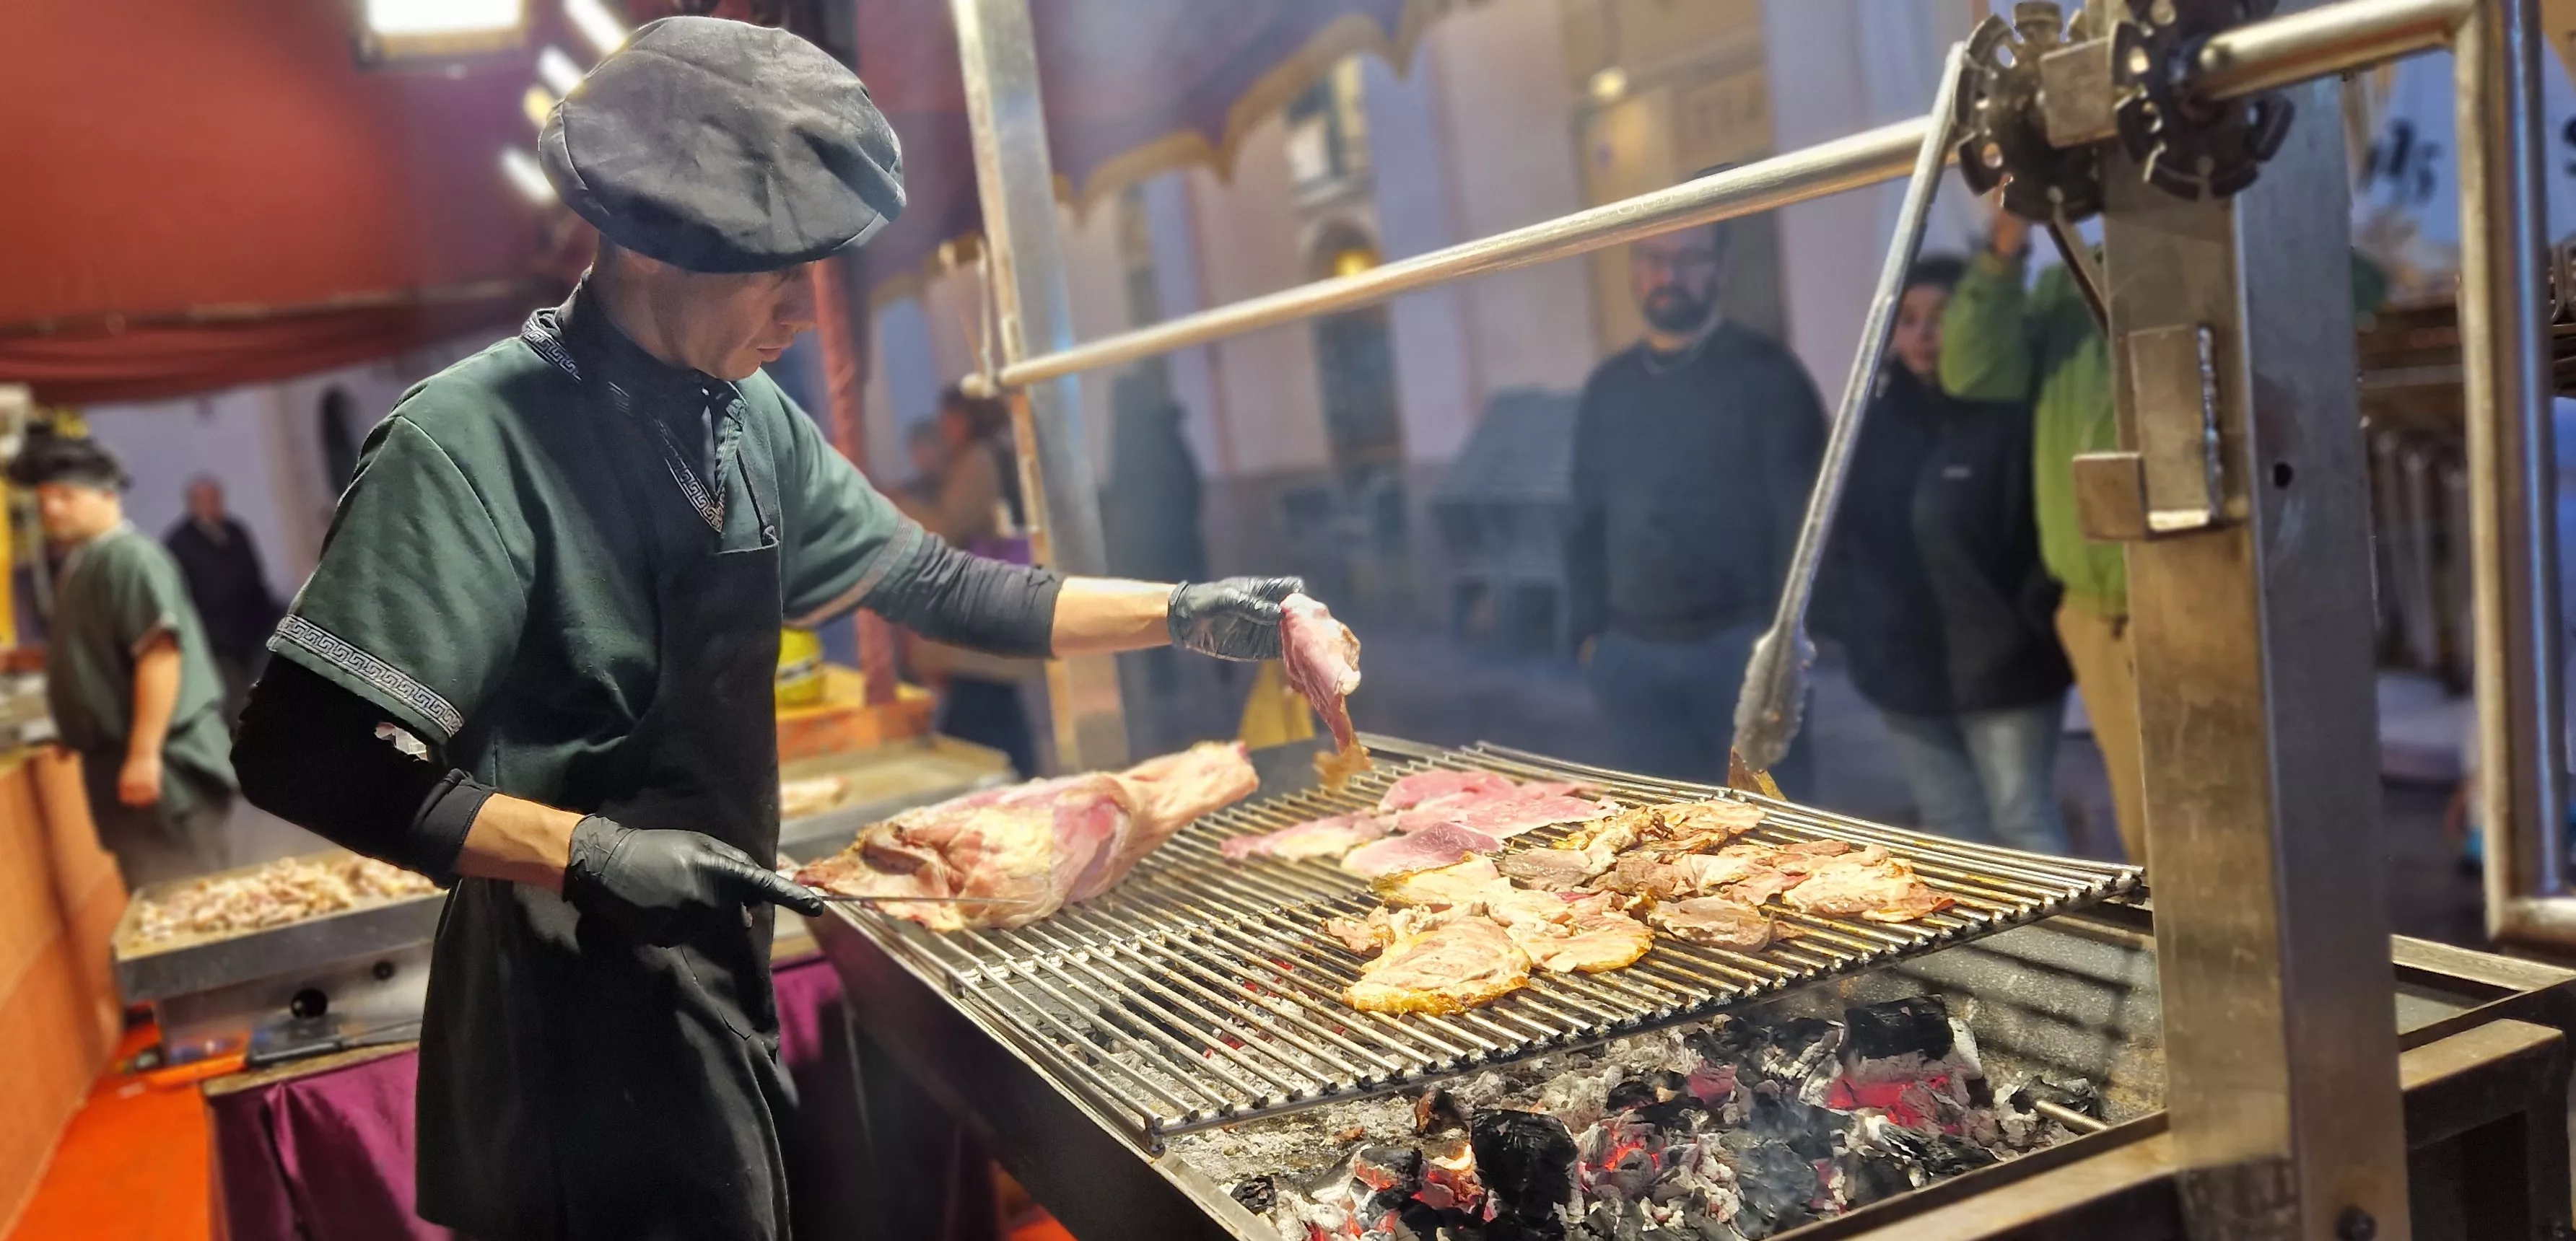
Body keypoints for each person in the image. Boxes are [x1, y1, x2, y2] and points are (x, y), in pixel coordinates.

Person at [224, 19, 1311, 1240]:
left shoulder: (745, 422)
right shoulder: (468, 442)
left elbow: (943, 587)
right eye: (770, 269)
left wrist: (1196, 614)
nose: (802, 310)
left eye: (819, 269)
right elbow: (302, 751)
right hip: (562, 1017)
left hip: (710, 954)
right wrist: (595, 853)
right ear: (643, 241)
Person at [1943, 206, 2391, 866]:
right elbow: (1971, 368)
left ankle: (2266, 958)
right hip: (2097, 612)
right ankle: (2186, 957)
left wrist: (2264, 223)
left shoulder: (2229, 255)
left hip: (2213, 592)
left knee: (2240, 817)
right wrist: (2003, 243)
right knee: (2151, 825)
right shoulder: (2065, 288)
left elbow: (2355, 290)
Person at [1566, 185, 1827, 794]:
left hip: (1740, 650)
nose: (1668, 274)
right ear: (1634, 271)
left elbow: (1805, 520)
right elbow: (1583, 516)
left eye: (1688, 258)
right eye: (1653, 258)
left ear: (1720, 269)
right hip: (1630, 654)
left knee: (1775, 833)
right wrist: (1587, 636)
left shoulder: (1766, 374)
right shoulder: (1609, 386)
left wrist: (1781, 640)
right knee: (1656, 836)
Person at [1822, 257, 2071, 854]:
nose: (1922, 335)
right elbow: (1844, 531)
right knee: (1949, 831)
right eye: (1907, 320)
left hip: (2006, 667)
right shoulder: (1874, 421)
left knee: (2023, 824)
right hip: (1905, 668)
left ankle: (2060, 948)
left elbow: (2050, 524)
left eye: (1939, 317)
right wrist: (1857, 627)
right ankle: (1983, 951)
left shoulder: (2010, 412)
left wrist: (2031, 621)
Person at [12, 432, 237, 890]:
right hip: (123, 764)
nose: (52, 510)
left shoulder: (130, 558)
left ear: (107, 495)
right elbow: (96, 655)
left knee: (192, 901)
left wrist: (143, 754)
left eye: (65, 496)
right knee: (158, 904)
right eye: (45, 500)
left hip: (166, 770)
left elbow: (160, 655)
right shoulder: (83, 563)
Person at [896, 384, 1039, 776]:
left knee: (973, 732)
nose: (946, 428)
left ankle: (1011, 793)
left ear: (966, 417)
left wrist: (896, 505)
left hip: (979, 616)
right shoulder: (999, 452)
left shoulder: (980, 459)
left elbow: (948, 528)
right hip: (1000, 609)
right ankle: (1024, 785)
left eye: (950, 418)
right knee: (999, 718)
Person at [1102, 373, 1208, 699]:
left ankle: (1166, 682)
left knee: (1157, 612)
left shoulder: (1130, 434)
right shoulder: (1164, 431)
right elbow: (1192, 482)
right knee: (1202, 605)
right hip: (1178, 535)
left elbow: (1126, 489)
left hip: (1150, 540)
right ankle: (1222, 670)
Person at [164, 475, 285, 719]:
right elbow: (180, 596)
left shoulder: (236, 531)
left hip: (253, 628)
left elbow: (255, 577)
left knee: (272, 689)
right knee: (238, 702)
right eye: (206, 499)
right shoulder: (179, 543)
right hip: (216, 641)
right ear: (193, 503)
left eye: (216, 498)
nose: (213, 504)